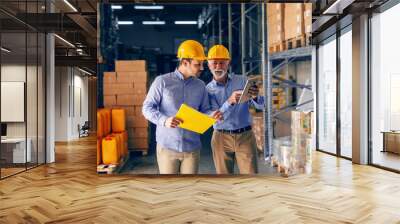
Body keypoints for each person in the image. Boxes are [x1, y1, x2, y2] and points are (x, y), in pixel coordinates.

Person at [142, 40, 222, 174]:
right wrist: (164, 120)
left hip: (192, 148)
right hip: (167, 147)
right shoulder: (162, 82)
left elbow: (205, 110)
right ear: (185, 62)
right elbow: (147, 108)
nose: (202, 68)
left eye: (202, 64)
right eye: (198, 64)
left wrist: (212, 115)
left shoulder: (200, 85)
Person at [206, 45, 264, 174]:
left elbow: (261, 106)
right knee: (224, 179)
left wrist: (256, 97)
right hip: (221, 137)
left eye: (222, 63)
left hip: (245, 136)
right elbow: (214, 116)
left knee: (251, 177)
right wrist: (229, 102)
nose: (218, 66)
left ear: (228, 63)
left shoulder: (242, 80)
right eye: (214, 63)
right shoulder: (207, 90)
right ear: (208, 65)